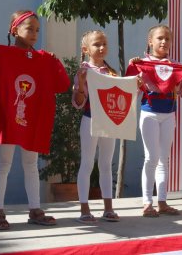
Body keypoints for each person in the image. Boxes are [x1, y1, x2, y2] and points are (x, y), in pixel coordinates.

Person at [0, 10, 71, 230]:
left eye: (37, 30)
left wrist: (54, 62)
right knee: (4, 163)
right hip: (9, 117)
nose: (34, 33)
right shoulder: (3, 54)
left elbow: (61, 85)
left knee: (31, 164)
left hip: (33, 119)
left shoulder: (43, 58)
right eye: (29, 28)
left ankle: (35, 209)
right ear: (14, 30)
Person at [129, 25, 182, 218]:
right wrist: (134, 71)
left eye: (168, 39)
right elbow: (131, 89)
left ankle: (162, 201)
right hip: (150, 113)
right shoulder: (142, 63)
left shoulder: (175, 64)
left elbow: (180, 89)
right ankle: (147, 203)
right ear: (150, 41)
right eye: (160, 38)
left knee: (164, 159)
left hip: (169, 114)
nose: (164, 42)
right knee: (151, 158)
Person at [72, 30, 120, 223]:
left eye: (104, 44)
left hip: (109, 122)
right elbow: (78, 102)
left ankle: (108, 208)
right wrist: (81, 85)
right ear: (86, 49)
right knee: (87, 163)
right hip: (90, 119)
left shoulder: (112, 72)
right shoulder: (83, 71)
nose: (101, 48)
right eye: (96, 44)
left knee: (106, 164)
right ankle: (84, 209)